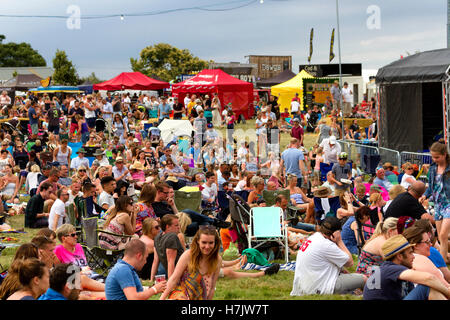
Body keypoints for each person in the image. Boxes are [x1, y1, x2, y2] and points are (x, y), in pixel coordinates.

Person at [291, 216, 366, 296]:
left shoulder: (314, 237)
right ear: (336, 233)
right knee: (364, 279)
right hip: (319, 288)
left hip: (304, 286)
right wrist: (339, 241)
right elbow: (350, 263)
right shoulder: (327, 245)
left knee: (347, 275)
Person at [363, 235, 450, 300]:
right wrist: (447, 292)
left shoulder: (386, 269)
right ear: (399, 256)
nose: (413, 256)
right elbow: (429, 278)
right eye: (410, 253)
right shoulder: (391, 268)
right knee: (426, 287)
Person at [160, 226, 222, 300]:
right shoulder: (188, 255)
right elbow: (173, 279)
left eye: (211, 243)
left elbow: (212, 288)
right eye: (204, 242)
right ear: (198, 241)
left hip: (200, 297)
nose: (207, 246)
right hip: (181, 294)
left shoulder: (217, 260)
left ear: (215, 242)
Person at [422, 140, 450, 263]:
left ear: (444, 154)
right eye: (433, 157)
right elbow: (431, 187)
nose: (434, 159)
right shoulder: (433, 169)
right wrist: (425, 195)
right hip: (438, 204)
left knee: (443, 234)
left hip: (449, 203)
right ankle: (443, 263)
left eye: (437, 157)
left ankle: (443, 263)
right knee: (440, 237)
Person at [152, 214, 185, 280]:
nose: (179, 227)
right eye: (176, 225)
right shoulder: (172, 237)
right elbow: (171, 262)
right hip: (181, 274)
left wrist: (151, 279)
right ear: (167, 227)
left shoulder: (157, 237)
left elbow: (155, 261)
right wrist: (171, 282)